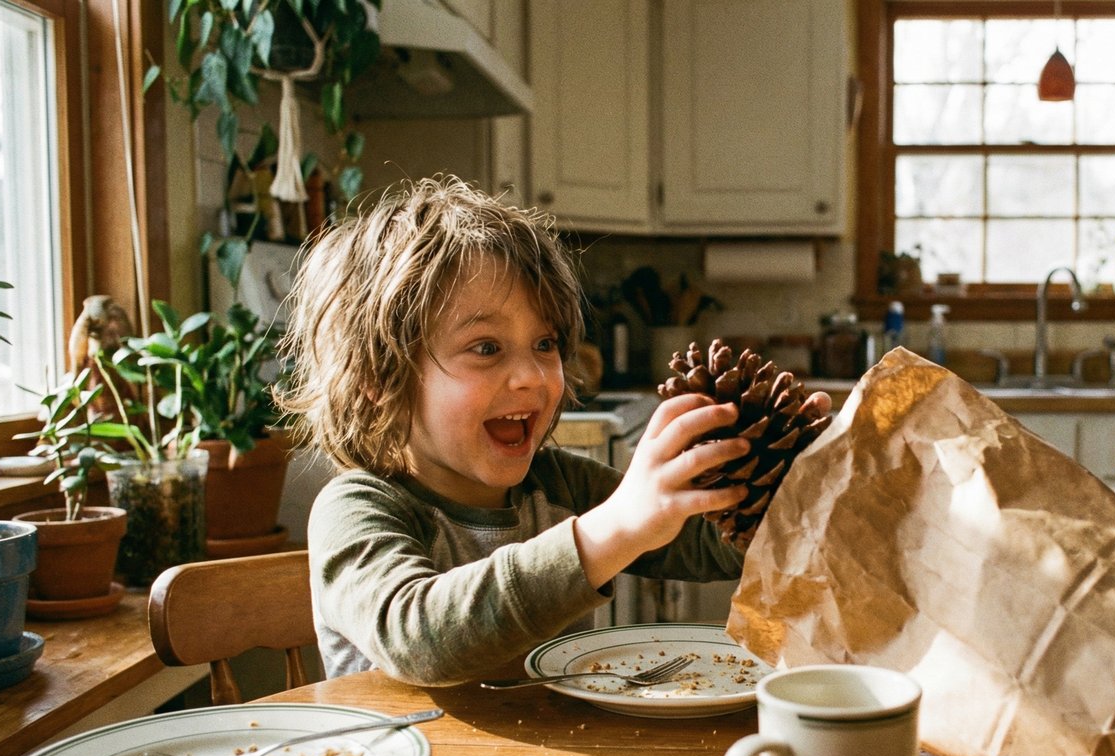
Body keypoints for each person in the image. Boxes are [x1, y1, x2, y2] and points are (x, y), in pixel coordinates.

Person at [276, 176, 823, 684]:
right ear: (380, 377)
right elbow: (417, 638)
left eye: (546, 344)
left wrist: (798, 485)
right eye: (486, 348)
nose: (533, 377)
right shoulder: (357, 508)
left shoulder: (560, 488)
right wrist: (614, 528)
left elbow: (716, 547)